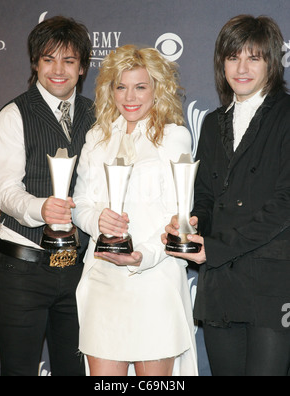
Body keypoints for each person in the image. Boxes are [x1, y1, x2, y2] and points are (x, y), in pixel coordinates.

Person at [162, 15, 290, 376]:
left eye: (254, 57)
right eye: (233, 57)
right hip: (221, 285)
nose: (242, 68)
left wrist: (216, 248)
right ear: (222, 63)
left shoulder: (286, 115)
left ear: (271, 62)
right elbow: (203, 194)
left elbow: (285, 204)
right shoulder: (213, 121)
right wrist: (191, 221)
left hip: (272, 284)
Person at [73, 45, 198, 376]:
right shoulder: (96, 138)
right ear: (109, 89)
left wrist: (142, 255)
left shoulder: (173, 138)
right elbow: (80, 204)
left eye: (140, 86)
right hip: (102, 280)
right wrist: (96, 220)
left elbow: (177, 217)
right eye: (121, 85)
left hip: (154, 281)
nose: (130, 96)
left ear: (157, 89)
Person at [0, 16, 95, 376]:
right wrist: (40, 208)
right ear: (35, 64)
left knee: (76, 371)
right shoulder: (13, 115)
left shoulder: (97, 115)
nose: (58, 70)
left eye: (68, 60)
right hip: (23, 271)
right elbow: (4, 192)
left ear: (82, 67)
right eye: (48, 59)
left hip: (80, 270)